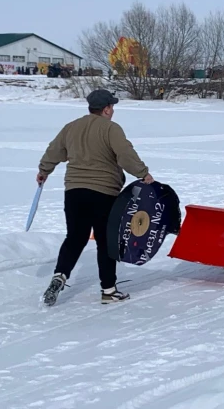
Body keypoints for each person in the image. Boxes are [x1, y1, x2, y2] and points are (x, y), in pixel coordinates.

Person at [36, 89, 154, 306]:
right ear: (107, 109)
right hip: (104, 192)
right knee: (105, 241)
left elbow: (54, 151)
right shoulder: (110, 128)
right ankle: (108, 290)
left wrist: (44, 170)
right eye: (112, 107)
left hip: (74, 191)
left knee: (75, 237)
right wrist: (143, 173)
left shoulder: (71, 127)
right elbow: (125, 155)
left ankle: (60, 275)